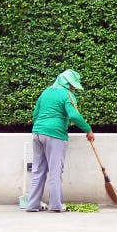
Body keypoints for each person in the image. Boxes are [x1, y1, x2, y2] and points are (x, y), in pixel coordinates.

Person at [25, 69, 95, 212]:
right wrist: (88, 129)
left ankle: (32, 204)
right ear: (68, 83)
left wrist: (43, 127)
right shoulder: (67, 94)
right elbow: (74, 116)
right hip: (55, 135)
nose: (74, 87)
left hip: (37, 132)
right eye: (73, 85)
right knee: (55, 171)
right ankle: (56, 205)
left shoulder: (45, 92)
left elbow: (35, 114)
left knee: (38, 170)